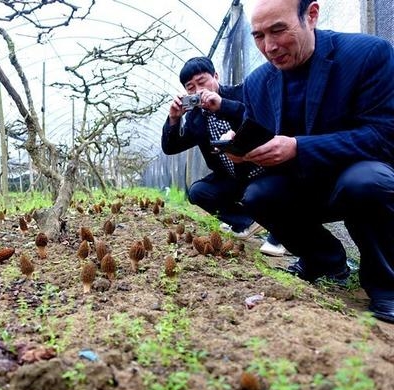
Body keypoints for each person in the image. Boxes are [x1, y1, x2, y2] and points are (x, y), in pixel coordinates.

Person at [238, 0, 394, 321]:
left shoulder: (367, 55)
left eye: (279, 30)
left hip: (360, 177)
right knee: (257, 195)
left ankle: (385, 284)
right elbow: (261, 142)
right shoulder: (257, 84)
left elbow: (383, 136)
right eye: (258, 36)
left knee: (366, 183)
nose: (269, 46)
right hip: (305, 186)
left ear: (311, 15)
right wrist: (243, 153)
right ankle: (325, 260)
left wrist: (298, 147)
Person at [161, 56, 285, 255]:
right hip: (233, 177)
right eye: (190, 87)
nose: (198, 90)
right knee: (198, 191)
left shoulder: (241, 93)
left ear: (216, 76)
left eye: (202, 82)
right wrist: (174, 119)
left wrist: (222, 105)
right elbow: (171, 147)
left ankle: (281, 233)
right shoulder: (195, 118)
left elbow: (263, 120)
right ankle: (246, 222)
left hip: (264, 170)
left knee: (260, 193)